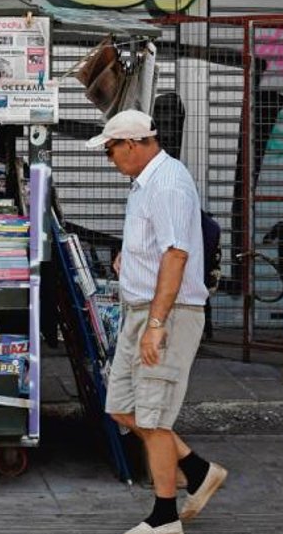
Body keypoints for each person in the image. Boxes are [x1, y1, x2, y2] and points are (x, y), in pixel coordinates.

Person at [88, 110, 227, 534]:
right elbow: (159, 247)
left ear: (132, 145)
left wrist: (156, 323)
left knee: (153, 419)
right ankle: (200, 472)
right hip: (141, 310)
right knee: (123, 409)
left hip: (163, 314)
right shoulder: (147, 182)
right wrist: (129, 260)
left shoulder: (166, 184)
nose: (110, 159)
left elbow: (176, 254)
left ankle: (165, 519)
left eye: (111, 151)